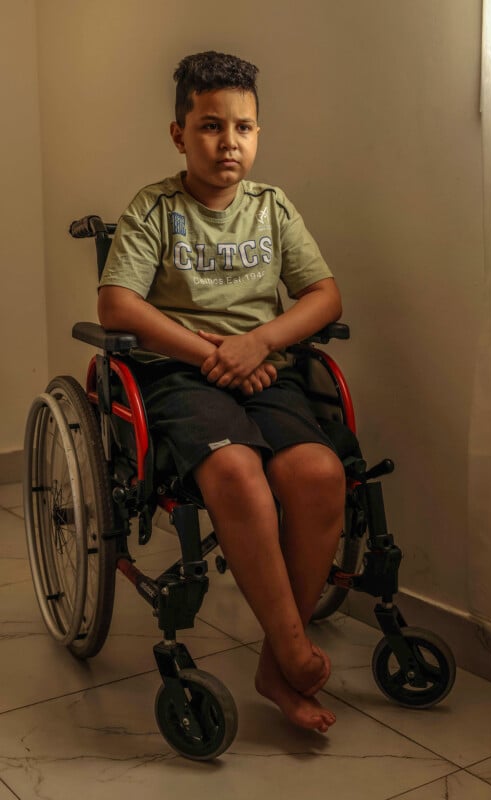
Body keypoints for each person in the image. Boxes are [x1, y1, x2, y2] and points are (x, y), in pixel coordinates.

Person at [98, 51, 345, 733]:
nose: (228, 142)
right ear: (179, 133)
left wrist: (261, 342)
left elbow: (325, 295)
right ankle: (295, 647)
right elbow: (117, 303)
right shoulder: (156, 207)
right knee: (236, 470)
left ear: (258, 133)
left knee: (319, 473)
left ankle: (274, 661)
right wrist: (216, 351)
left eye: (244, 127)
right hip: (179, 374)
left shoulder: (272, 208)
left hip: (266, 372)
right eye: (210, 126)